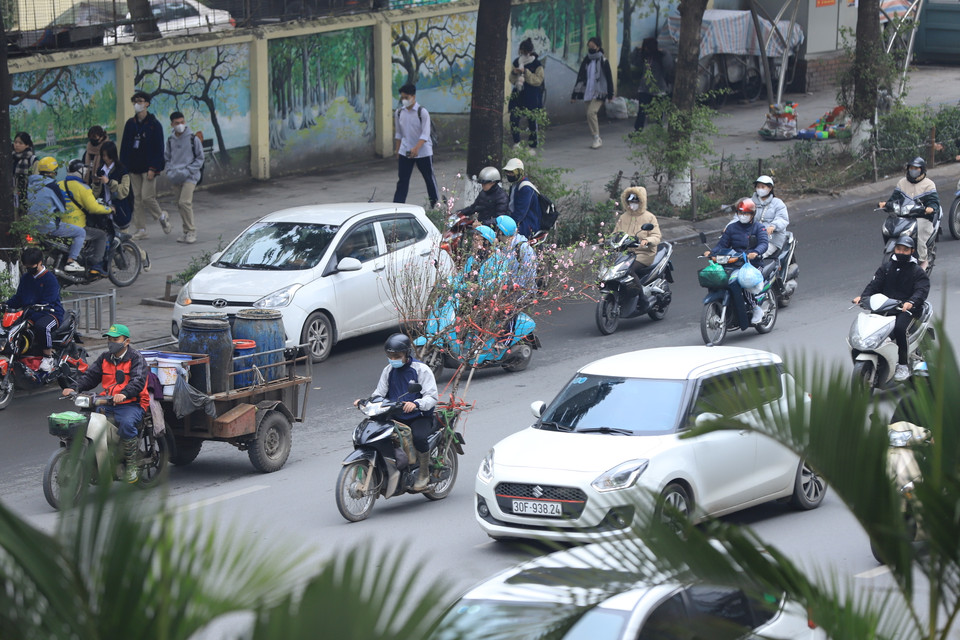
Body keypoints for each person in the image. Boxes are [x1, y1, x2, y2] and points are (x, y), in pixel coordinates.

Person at [62, 324, 150, 483]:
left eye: (115, 339)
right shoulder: (104, 357)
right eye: (109, 339)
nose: (111, 342)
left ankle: (131, 465)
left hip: (132, 403)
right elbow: (90, 377)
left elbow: (138, 381)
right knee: (87, 422)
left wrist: (124, 393)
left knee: (126, 424)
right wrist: (74, 388)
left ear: (126, 341)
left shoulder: (136, 358)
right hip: (108, 401)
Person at [354, 334, 438, 491]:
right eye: (390, 356)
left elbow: (432, 397)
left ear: (407, 354)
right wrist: (365, 402)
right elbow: (379, 393)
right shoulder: (388, 370)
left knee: (419, 437)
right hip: (395, 416)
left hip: (419, 416)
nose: (393, 359)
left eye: (397, 356)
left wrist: (416, 404)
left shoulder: (421, 370)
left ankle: (424, 473)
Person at [853, 236, 930, 382]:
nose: (901, 252)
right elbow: (874, 285)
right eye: (899, 249)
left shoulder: (917, 271)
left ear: (912, 251)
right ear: (894, 249)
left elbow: (921, 290)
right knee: (872, 328)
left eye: (905, 250)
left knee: (900, 329)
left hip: (907, 310)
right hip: (886, 306)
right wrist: (863, 297)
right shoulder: (886, 268)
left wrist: (911, 302)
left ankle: (903, 365)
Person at [703, 199, 769, 325]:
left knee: (745, 280)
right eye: (740, 213)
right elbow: (722, 244)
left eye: (746, 213)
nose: (743, 216)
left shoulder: (759, 227)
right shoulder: (732, 228)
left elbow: (764, 244)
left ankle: (755, 308)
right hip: (735, 263)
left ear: (752, 214)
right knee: (717, 278)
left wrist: (756, 252)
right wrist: (711, 253)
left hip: (752, 264)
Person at [120, 91, 170, 240]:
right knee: (137, 199)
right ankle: (141, 229)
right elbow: (125, 146)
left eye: (140, 101)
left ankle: (161, 216)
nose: (137, 104)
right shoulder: (130, 124)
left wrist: (153, 168)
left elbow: (159, 148)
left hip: (148, 168)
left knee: (147, 197)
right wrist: (123, 166)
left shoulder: (154, 125)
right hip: (133, 167)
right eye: (135, 101)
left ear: (147, 104)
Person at [4, 247, 63, 373]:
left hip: (51, 313)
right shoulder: (26, 278)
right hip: (29, 313)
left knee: (42, 327)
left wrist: (31, 320)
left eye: (32, 266)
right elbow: (19, 298)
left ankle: (48, 357)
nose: (29, 269)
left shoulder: (50, 279)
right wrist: (5, 305)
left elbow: (49, 302)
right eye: (27, 266)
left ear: (40, 262)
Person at [25, 157, 86, 273]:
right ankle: (71, 261)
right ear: (53, 172)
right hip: (48, 227)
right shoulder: (52, 186)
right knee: (80, 232)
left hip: (32, 226)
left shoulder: (30, 185)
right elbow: (62, 209)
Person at [879, 157, 940, 270]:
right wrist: (886, 204)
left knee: (920, 235)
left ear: (922, 169)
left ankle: (923, 260)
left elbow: (934, 202)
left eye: (916, 168)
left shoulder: (929, 184)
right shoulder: (902, 182)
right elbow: (894, 199)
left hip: (922, 217)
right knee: (889, 226)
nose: (913, 170)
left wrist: (930, 208)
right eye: (911, 168)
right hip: (903, 216)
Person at [59, 158, 111, 275]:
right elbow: (93, 208)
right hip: (77, 226)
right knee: (101, 235)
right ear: (80, 172)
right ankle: (96, 265)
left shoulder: (59, 184)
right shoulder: (83, 188)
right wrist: (109, 209)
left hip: (60, 224)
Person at [392, 84, 439, 209]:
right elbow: (398, 133)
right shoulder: (399, 112)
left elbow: (425, 133)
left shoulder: (422, 112)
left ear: (413, 96)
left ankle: (435, 205)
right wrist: (397, 150)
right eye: (402, 98)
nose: (404, 100)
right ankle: (397, 206)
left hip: (423, 152)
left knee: (429, 178)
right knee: (402, 180)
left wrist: (417, 148)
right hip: (405, 151)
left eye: (406, 97)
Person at [164, 111, 204, 244]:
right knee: (179, 204)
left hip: (190, 176)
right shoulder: (170, 140)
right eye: (177, 123)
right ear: (172, 124)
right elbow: (167, 157)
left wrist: (189, 171)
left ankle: (191, 231)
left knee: (184, 202)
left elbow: (200, 158)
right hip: (176, 176)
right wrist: (170, 171)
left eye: (182, 122)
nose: (180, 125)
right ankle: (186, 231)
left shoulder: (193, 139)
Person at [571, 36, 614, 150]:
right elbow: (580, 77)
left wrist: (610, 95)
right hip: (588, 91)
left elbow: (609, 78)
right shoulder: (587, 60)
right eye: (589, 47)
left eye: (593, 46)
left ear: (598, 47)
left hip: (600, 92)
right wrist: (574, 95)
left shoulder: (603, 61)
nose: (591, 49)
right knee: (589, 115)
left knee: (591, 113)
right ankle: (595, 137)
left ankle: (596, 138)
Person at [614, 186, 661, 281]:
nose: (632, 204)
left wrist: (647, 240)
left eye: (635, 202)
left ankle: (639, 291)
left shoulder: (650, 217)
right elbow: (616, 233)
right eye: (630, 201)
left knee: (628, 270)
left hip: (643, 253)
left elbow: (656, 236)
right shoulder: (623, 217)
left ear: (641, 202)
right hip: (625, 254)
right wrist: (606, 240)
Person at [508, 38, 545, 153]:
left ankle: (532, 145)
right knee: (514, 118)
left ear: (530, 51)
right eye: (522, 51)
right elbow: (511, 79)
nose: (524, 54)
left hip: (532, 95)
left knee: (532, 120)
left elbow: (538, 80)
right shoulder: (516, 62)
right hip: (518, 94)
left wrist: (526, 73)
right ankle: (517, 143)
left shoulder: (536, 64)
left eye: (526, 51)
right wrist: (515, 73)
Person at [631, 37, 673, 132]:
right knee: (642, 110)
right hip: (644, 88)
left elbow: (669, 65)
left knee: (658, 112)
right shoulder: (645, 57)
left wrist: (665, 52)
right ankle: (638, 130)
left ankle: (659, 130)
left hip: (659, 88)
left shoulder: (660, 57)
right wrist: (636, 50)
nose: (645, 49)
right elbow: (634, 62)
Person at [96, 141, 134, 230]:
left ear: (112, 155)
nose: (105, 158)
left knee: (123, 236)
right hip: (104, 211)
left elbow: (124, 191)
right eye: (103, 155)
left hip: (120, 211)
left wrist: (109, 182)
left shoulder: (122, 170)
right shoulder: (100, 170)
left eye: (106, 155)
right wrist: (96, 183)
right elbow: (95, 194)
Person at [494, 214, 537, 291]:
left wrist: (513, 288)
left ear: (501, 232)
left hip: (520, 293)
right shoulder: (501, 246)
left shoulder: (523, 248)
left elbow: (529, 275)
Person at [750, 175, 789, 258]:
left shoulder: (778, 203)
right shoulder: (749, 202)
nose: (760, 189)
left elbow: (782, 219)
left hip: (771, 239)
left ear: (770, 188)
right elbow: (739, 216)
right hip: (751, 238)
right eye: (758, 187)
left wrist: (773, 226)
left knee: (756, 256)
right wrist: (728, 227)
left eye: (763, 187)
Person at [502, 158, 541, 237]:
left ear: (519, 172)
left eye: (511, 172)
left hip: (527, 224)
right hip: (518, 221)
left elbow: (520, 213)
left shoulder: (526, 188)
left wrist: (507, 225)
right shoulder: (514, 185)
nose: (508, 174)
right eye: (507, 172)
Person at [12, 131, 38, 215]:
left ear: (27, 145)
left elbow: (36, 179)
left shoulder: (32, 159)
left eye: (20, 143)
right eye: (15, 142)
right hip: (13, 196)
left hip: (27, 196)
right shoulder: (11, 158)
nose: (17, 145)